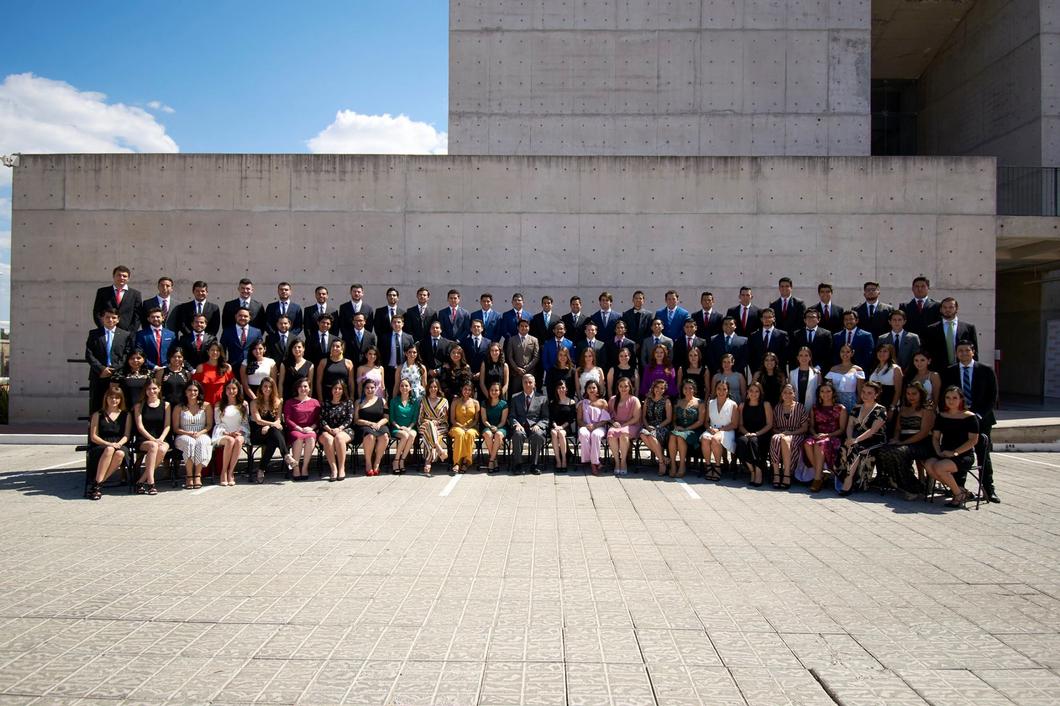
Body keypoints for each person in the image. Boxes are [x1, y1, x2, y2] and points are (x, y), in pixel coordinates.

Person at [942, 340, 998, 502]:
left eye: (967, 350)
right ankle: (959, 488)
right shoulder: (950, 371)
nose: (964, 353)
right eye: (960, 351)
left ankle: (988, 489)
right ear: (956, 353)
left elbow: (992, 396)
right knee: (959, 453)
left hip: (982, 419)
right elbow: (945, 395)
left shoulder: (986, 370)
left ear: (973, 352)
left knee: (983, 454)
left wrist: (977, 415)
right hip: (958, 420)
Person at [873, 381, 934, 497]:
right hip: (903, 442)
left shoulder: (927, 410)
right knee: (883, 450)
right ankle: (901, 482)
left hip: (921, 443)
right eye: (908, 393)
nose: (911, 396)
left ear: (921, 394)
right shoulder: (903, 409)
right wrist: (896, 439)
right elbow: (897, 429)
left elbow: (923, 433)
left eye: (914, 394)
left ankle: (913, 487)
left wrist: (902, 443)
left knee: (899, 452)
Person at [924, 385, 980, 507]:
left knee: (939, 467)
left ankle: (958, 495)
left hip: (962, 454)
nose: (951, 401)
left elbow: (973, 441)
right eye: (948, 397)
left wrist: (955, 452)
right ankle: (961, 491)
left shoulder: (970, 417)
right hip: (945, 452)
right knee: (929, 465)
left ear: (961, 399)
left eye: (955, 398)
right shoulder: (942, 416)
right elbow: (935, 437)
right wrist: (938, 451)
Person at [836, 381, 888, 495]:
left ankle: (848, 481)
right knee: (844, 447)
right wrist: (850, 438)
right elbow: (850, 425)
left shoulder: (881, 410)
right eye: (863, 392)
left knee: (856, 449)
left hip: (874, 440)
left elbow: (872, 430)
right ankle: (841, 478)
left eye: (869, 393)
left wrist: (856, 440)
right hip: (856, 438)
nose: (865, 395)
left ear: (876, 395)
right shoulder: (857, 408)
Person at [86, 385, 133, 500]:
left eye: (117, 398)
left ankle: (97, 484)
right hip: (101, 445)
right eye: (111, 397)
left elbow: (127, 435)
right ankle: (98, 485)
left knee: (120, 453)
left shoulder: (126, 415)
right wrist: (109, 444)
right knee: (109, 449)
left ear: (121, 400)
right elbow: (93, 436)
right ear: (106, 398)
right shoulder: (98, 414)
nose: (114, 400)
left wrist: (119, 444)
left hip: (119, 444)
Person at [801, 381, 847, 493]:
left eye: (828, 391)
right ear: (819, 394)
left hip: (833, 437)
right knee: (807, 443)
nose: (825, 394)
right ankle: (820, 473)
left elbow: (842, 429)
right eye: (822, 391)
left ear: (833, 393)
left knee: (819, 443)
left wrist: (827, 435)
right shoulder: (814, 408)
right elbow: (811, 427)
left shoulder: (840, 408)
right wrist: (815, 434)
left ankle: (817, 479)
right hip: (818, 436)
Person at [85, 308, 132, 413]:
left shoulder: (125, 335)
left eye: (113, 317)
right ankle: (95, 424)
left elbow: (126, 355)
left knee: (118, 405)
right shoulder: (94, 334)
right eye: (107, 317)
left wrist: (113, 369)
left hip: (117, 375)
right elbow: (89, 354)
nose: (110, 320)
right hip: (99, 375)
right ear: (102, 318)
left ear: (118, 319)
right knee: (96, 405)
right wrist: (101, 369)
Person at [249, 377, 293, 483]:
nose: (267, 389)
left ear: (274, 388)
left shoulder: (278, 402)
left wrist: (269, 426)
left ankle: (261, 469)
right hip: (259, 431)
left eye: (270, 387)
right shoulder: (254, 402)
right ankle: (286, 455)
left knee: (273, 440)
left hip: (273, 432)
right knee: (274, 432)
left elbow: (278, 419)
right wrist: (271, 424)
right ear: (261, 388)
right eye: (265, 386)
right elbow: (258, 420)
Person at [173, 380, 213, 489]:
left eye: (195, 390)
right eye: (189, 390)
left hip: (201, 433)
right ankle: (189, 475)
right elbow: (176, 428)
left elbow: (209, 425)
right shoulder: (179, 407)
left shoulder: (206, 406)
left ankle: (198, 475)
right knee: (190, 442)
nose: (192, 392)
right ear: (185, 392)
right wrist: (188, 433)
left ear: (199, 392)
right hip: (183, 434)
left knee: (202, 442)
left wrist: (199, 433)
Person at [133, 379, 170, 495]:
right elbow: (140, 427)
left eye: (154, 388)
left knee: (162, 449)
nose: (152, 391)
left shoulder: (166, 405)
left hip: (161, 438)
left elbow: (167, 425)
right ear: (145, 390)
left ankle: (140, 481)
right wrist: (153, 439)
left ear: (159, 389)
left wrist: (161, 438)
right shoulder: (139, 406)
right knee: (153, 446)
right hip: (144, 439)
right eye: (149, 389)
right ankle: (151, 483)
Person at [769, 383, 809, 489]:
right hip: (781, 433)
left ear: (794, 394)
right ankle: (776, 474)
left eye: (790, 393)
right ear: (782, 394)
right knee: (775, 438)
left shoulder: (800, 407)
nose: (787, 395)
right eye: (785, 392)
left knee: (785, 440)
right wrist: (781, 433)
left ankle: (787, 473)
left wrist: (790, 433)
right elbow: (773, 427)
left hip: (797, 434)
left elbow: (804, 428)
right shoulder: (777, 408)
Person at [925, 297, 979, 371]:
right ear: (940, 309)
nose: (947, 310)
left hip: (963, 369)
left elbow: (974, 351)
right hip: (939, 370)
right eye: (945, 307)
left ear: (956, 309)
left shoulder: (968, 328)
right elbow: (928, 352)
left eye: (951, 307)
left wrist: (975, 369)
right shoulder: (931, 329)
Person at [211, 380, 249, 487]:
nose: (231, 391)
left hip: (239, 433)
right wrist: (227, 433)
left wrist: (239, 432)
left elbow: (245, 423)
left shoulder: (244, 404)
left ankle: (231, 472)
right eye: (228, 388)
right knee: (230, 440)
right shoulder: (219, 405)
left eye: (234, 388)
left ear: (238, 390)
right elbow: (218, 423)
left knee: (238, 440)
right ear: (225, 390)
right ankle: (223, 471)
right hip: (222, 433)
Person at [510, 374, 549, 474]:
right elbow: (512, 416)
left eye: (530, 382)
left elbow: (545, 417)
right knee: (517, 434)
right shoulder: (515, 397)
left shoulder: (542, 398)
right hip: (521, 427)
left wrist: (538, 425)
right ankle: (518, 465)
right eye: (525, 382)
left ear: (534, 384)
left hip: (535, 427)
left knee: (538, 435)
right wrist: (516, 424)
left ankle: (534, 465)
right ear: (522, 384)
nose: (528, 384)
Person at [735, 381, 773, 487]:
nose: (754, 393)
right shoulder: (742, 405)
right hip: (747, 433)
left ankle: (759, 470)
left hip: (762, 433)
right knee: (742, 441)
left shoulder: (766, 405)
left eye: (757, 391)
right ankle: (752, 471)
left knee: (753, 441)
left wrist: (756, 433)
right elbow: (740, 425)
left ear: (760, 393)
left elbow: (769, 424)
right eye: (751, 391)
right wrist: (747, 433)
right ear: (747, 392)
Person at [700, 380, 739, 480]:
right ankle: (708, 466)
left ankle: (717, 467)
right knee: (705, 438)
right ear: (715, 390)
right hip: (712, 429)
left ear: (728, 390)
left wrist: (720, 430)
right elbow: (706, 422)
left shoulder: (733, 404)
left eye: (724, 389)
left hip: (727, 430)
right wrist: (709, 428)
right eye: (719, 389)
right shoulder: (710, 403)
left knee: (715, 439)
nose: (721, 391)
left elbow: (734, 424)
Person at [283, 379, 321, 481]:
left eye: (305, 386)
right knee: (298, 438)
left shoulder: (315, 402)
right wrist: (299, 428)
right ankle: (296, 468)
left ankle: (305, 467)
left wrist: (311, 428)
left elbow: (319, 419)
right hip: (295, 429)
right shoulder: (290, 402)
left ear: (309, 388)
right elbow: (287, 419)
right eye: (300, 386)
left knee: (311, 437)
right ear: (297, 388)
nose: (303, 389)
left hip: (309, 429)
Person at [667, 379, 704, 478]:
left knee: (679, 437)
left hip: (694, 430)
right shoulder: (678, 402)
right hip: (679, 429)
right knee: (672, 436)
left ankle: (682, 466)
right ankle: (673, 465)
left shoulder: (700, 402)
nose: (688, 390)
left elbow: (700, 421)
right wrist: (675, 426)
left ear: (694, 389)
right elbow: (674, 420)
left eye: (690, 388)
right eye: (685, 388)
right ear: (682, 390)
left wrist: (686, 429)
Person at [319, 380, 355, 481]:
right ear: (331, 390)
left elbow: (349, 419)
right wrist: (329, 429)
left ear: (343, 390)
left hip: (345, 430)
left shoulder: (348, 403)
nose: (337, 390)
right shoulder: (325, 403)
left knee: (339, 438)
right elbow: (321, 419)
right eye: (335, 388)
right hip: (327, 430)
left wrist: (339, 429)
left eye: (340, 389)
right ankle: (334, 469)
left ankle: (341, 468)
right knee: (328, 439)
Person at [606, 377, 641, 475]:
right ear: (618, 387)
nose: (623, 388)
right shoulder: (613, 399)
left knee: (623, 433)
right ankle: (617, 462)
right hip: (617, 425)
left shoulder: (634, 400)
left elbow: (636, 418)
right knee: (611, 433)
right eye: (621, 386)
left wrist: (624, 425)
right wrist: (613, 422)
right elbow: (608, 416)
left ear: (630, 387)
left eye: (626, 386)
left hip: (632, 425)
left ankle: (623, 461)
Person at [355, 378, 390, 476]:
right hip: (364, 426)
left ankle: (377, 463)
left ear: (376, 388)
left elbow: (386, 418)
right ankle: (368, 463)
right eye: (367, 388)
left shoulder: (382, 401)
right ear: (364, 389)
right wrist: (369, 423)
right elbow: (356, 420)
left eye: (372, 388)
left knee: (385, 436)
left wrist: (378, 424)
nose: (369, 390)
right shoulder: (359, 402)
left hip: (379, 425)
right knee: (370, 436)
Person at [92, 265, 142, 332]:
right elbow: (97, 312)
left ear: (128, 278)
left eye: (124, 276)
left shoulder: (135, 294)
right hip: (106, 331)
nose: (121, 278)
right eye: (119, 275)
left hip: (126, 332)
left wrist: (130, 332)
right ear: (113, 276)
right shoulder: (102, 292)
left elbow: (138, 316)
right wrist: (103, 328)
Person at [639, 379, 673, 476]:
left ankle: (661, 463)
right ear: (653, 388)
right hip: (649, 426)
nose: (659, 390)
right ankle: (663, 458)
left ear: (664, 390)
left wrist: (657, 427)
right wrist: (647, 426)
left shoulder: (666, 401)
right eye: (657, 387)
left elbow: (669, 419)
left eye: (662, 388)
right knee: (642, 433)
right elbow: (643, 417)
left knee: (651, 436)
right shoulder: (647, 400)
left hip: (662, 426)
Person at [577, 380, 611, 475]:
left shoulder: (603, 402)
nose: (591, 390)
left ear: (598, 389)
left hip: (599, 426)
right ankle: (595, 461)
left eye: (594, 388)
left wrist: (595, 425)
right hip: (586, 426)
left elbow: (606, 419)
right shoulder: (582, 403)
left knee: (595, 435)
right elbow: (579, 420)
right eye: (589, 388)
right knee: (583, 433)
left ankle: (593, 463)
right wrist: (586, 425)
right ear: (586, 390)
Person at [418, 378, 450, 475]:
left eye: (435, 387)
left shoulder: (444, 401)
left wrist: (436, 422)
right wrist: (430, 422)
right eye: (431, 387)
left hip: (440, 427)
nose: (433, 389)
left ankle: (428, 461)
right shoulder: (424, 401)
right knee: (430, 425)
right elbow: (420, 418)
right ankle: (439, 449)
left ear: (438, 388)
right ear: (428, 388)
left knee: (431, 432)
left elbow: (445, 419)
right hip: (425, 425)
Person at [389, 378, 421, 473]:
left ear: (410, 388)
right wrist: (399, 427)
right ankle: (396, 460)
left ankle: (402, 460)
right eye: (402, 386)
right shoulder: (394, 401)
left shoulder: (414, 402)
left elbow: (415, 419)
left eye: (406, 385)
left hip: (410, 427)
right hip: (397, 428)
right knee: (405, 435)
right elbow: (392, 418)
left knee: (412, 434)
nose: (404, 387)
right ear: (399, 388)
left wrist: (408, 428)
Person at [449, 381, 480, 474]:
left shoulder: (475, 403)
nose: (467, 391)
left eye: (469, 390)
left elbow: (476, 420)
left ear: (472, 391)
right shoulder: (455, 402)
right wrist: (461, 426)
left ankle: (466, 461)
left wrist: (469, 426)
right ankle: (457, 462)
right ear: (462, 389)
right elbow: (452, 419)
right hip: (457, 426)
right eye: (465, 389)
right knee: (460, 433)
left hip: (471, 427)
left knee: (470, 434)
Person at [747, 308, 788, 374]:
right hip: (759, 372)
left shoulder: (782, 335)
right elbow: (751, 357)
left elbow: (784, 356)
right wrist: (755, 372)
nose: (767, 319)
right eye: (765, 317)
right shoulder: (754, 336)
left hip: (777, 372)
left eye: (769, 317)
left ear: (774, 319)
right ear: (761, 319)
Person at [479, 382, 509, 473]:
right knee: (488, 434)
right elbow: (484, 419)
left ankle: (491, 460)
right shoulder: (484, 403)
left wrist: (497, 427)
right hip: (488, 426)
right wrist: (490, 427)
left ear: (500, 392)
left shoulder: (504, 404)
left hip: (501, 426)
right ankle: (494, 459)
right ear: (489, 391)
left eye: (496, 390)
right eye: (492, 390)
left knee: (498, 435)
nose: (494, 392)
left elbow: (503, 421)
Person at [381, 313, 415, 393]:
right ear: (391, 324)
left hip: (405, 369)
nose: (396, 324)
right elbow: (382, 354)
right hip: (389, 370)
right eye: (394, 322)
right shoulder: (385, 337)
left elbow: (412, 353)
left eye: (399, 322)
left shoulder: (409, 337)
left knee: (405, 392)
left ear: (403, 324)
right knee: (390, 392)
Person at [193, 341, 235, 405]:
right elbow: (194, 386)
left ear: (220, 352)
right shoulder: (200, 367)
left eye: (217, 350)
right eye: (212, 350)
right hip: (205, 403)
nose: (215, 352)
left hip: (222, 403)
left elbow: (233, 386)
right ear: (208, 351)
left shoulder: (227, 367)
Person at [548, 379, 577, 471]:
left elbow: (571, 419)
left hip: (566, 427)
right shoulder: (552, 402)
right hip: (554, 426)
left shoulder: (571, 402)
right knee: (554, 433)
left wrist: (562, 427)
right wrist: (555, 426)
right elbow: (551, 417)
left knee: (561, 433)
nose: (561, 389)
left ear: (566, 389)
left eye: (563, 387)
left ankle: (564, 460)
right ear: (556, 389)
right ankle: (558, 460)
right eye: (559, 388)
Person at [825, 344, 865, 411]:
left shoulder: (858, 369)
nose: (845, 354)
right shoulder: (833, 369)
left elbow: (860, 391)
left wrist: (857, 405)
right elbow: (829, 388)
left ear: (852, 353)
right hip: (835, 401)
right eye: (842, 351)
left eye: (848, 352)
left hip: (851, 402)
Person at [315, 339, 355, 403]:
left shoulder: (348, 363)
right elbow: (318, 382)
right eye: (333, 346)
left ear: (342, 349)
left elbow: (351, 382)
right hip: (327, 397)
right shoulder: (323, 362)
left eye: (337, 346)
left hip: (343, 397)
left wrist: (352, 396)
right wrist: (320, 399)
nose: (334, 348)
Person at [869, 342, 904, 413]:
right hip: (873, 404)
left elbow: (898, 391)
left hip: (888, 403)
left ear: (890, 353)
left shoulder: (895, 369)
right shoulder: (875, 367)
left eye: (885, 351)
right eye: (879, 351)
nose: (881, 353)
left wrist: (892, 408)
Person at [506, 318, 540, 386]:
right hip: (516, 373)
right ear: (518, 327)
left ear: (529, 328)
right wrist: (517, 368)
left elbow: (536, 356)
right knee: (515, 392)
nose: (524, 328)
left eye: (526, 326)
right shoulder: (512, 340)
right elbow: (510, 357)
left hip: (530, 373)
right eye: (521, 326)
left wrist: (527, 368)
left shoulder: (534, 340)